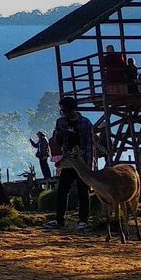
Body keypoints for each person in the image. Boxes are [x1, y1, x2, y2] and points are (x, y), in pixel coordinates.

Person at [45, 96, 94, 231]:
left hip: (81, 162)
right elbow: (58, 141)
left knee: (82, 191)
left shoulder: (85, 123)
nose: (63, 112)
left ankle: (83, 220)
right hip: (68, 161)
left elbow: (90, 144)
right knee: (62, 190)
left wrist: (89, 165)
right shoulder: (61, 122)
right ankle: (59, 219)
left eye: (65, 109)